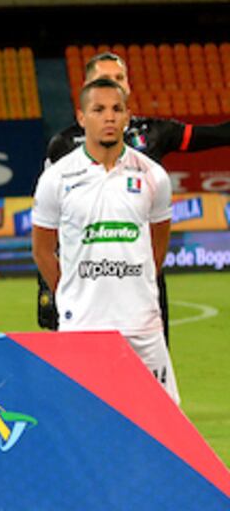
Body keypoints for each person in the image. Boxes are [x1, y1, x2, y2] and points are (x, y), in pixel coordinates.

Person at [40, 51, 230, 339]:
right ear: (87, 90)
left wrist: (146, 276)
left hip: (140, 284)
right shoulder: (63, 144)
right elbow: (47, 223)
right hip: (84, 285)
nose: (113, 84)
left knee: (147, 377)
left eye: (119, 78)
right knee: (87, 378)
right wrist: (48, 288)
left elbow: (216, 135)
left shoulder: (154, 132)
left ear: (127, 87)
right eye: (104, 80)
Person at [32, 78, 177, 402]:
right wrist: (70, 294)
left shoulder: (154, 176)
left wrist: (136, 285)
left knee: (161, 426)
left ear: (128, 116)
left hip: (143, 324)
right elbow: (42, 251)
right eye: (99, 109)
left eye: (117, 109)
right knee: (82, 423)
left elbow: (158, 246)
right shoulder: (56, 178)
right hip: (82, 326)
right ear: (82, 118)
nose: (109, 117)